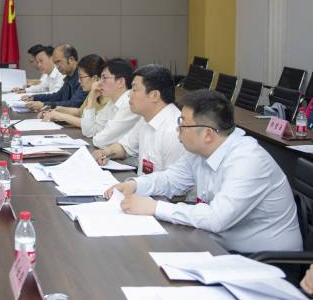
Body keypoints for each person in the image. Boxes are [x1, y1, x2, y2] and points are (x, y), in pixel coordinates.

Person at [106, 89, 302, 254]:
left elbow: (217, 219)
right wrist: (135, 185)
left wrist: (155, 207)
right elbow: (172, 179)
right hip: (220, 244)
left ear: (207, 134)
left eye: (182, 125)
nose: (177, 131)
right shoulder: (201, 151)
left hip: (264, 260)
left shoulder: (248, 160)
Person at [92, 64, 185, 175]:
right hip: (142, 183)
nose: (129, 95)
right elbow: (125, 147)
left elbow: (174, 181)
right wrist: (106, 152)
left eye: (135, 89)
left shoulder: (174, 132)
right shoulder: (146, 119)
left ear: (154, 95)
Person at [71, 58, 140, 148]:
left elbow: (101, 141)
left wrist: (99, 134)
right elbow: (88, 131)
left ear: (120, 82)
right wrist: (91, 98)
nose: (98, 83)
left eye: (104, 78)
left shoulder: (129, 105)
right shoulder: (112, 102)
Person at [39, 54, 105, 126]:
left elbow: (89, 124)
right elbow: (79, 112)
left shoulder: (107, 98)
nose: (79, 81)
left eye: (81, 77)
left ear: (95, 78)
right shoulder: (92, 92)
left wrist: (60, 116)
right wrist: (56, 109)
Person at [24, 44, 85, 111]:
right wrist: (35, 97)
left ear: (71, 59)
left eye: (58, 61)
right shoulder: (69, 76)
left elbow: (74, 104)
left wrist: (44, 105)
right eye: (55, 63)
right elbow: (58, 96)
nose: (57, 66)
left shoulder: (83, 77)